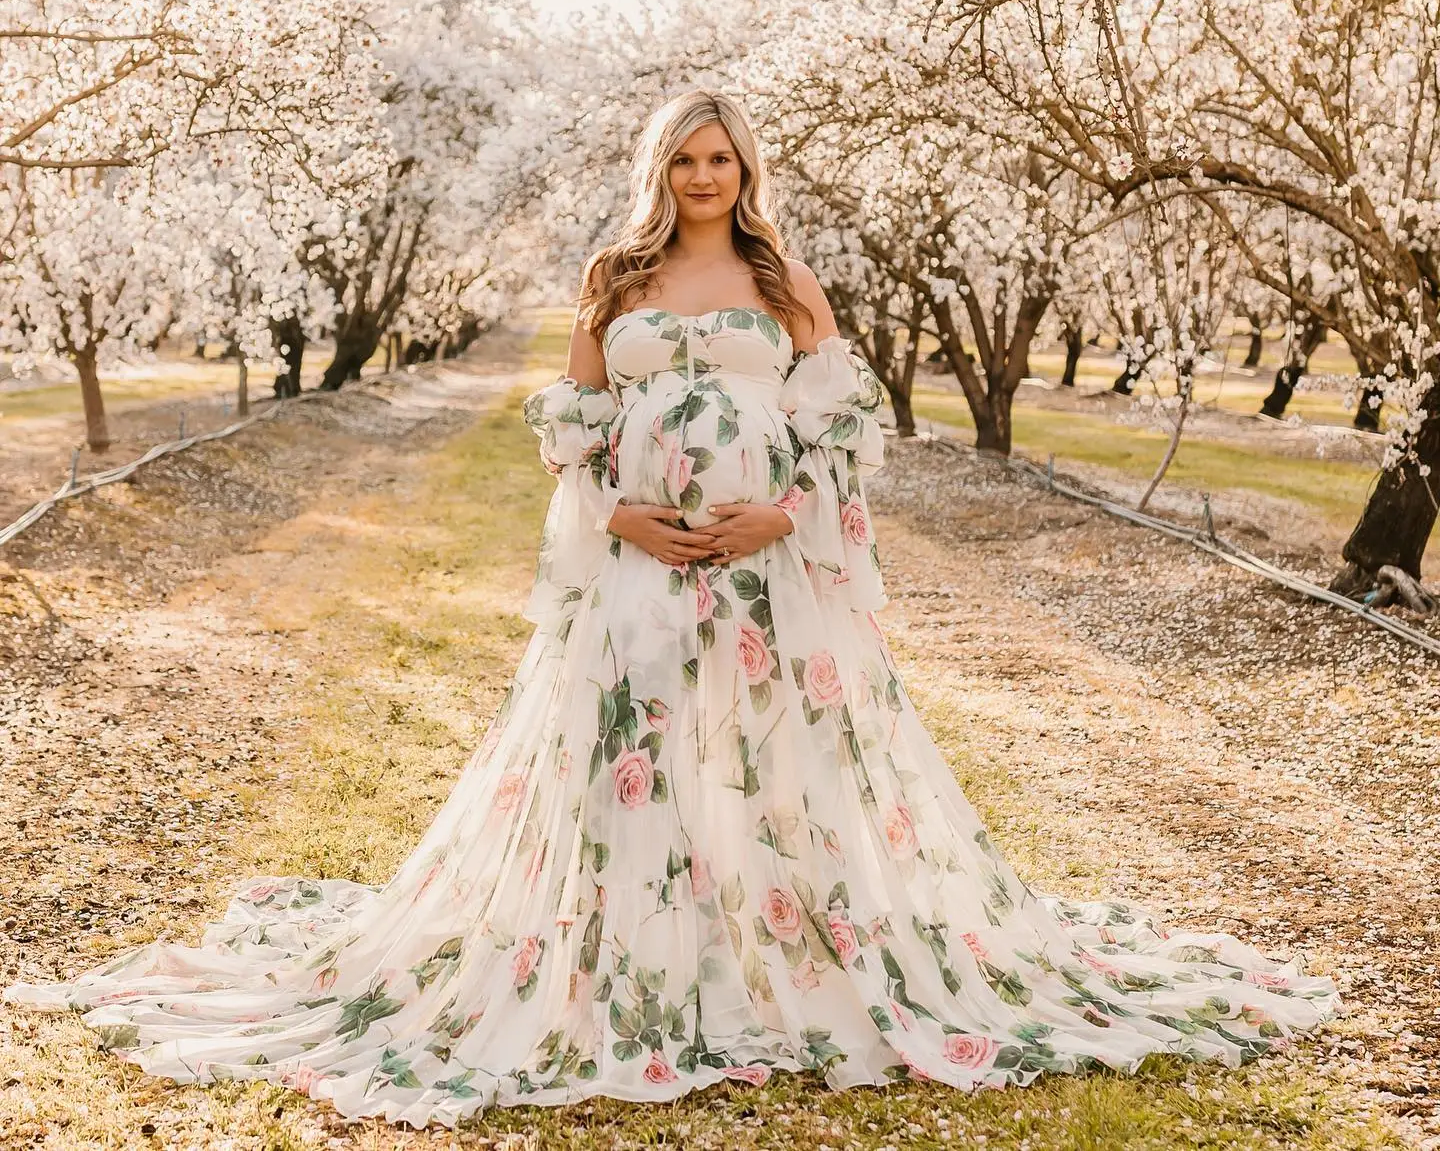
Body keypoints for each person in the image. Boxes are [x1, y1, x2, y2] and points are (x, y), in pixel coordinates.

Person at [4, 89, 1337, 1126]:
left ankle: (788, 955)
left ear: (747, 172)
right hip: (646, 564)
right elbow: (576, 432)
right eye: (687, 161)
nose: (707, 179)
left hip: (763, 568)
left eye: (725, 160)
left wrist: (783, 513)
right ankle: (631, 962)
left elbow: (838, 421)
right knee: (629, 764)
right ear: (662, 172)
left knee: (779, 764)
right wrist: (622, 515)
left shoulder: (784, 283)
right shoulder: (614, 280)